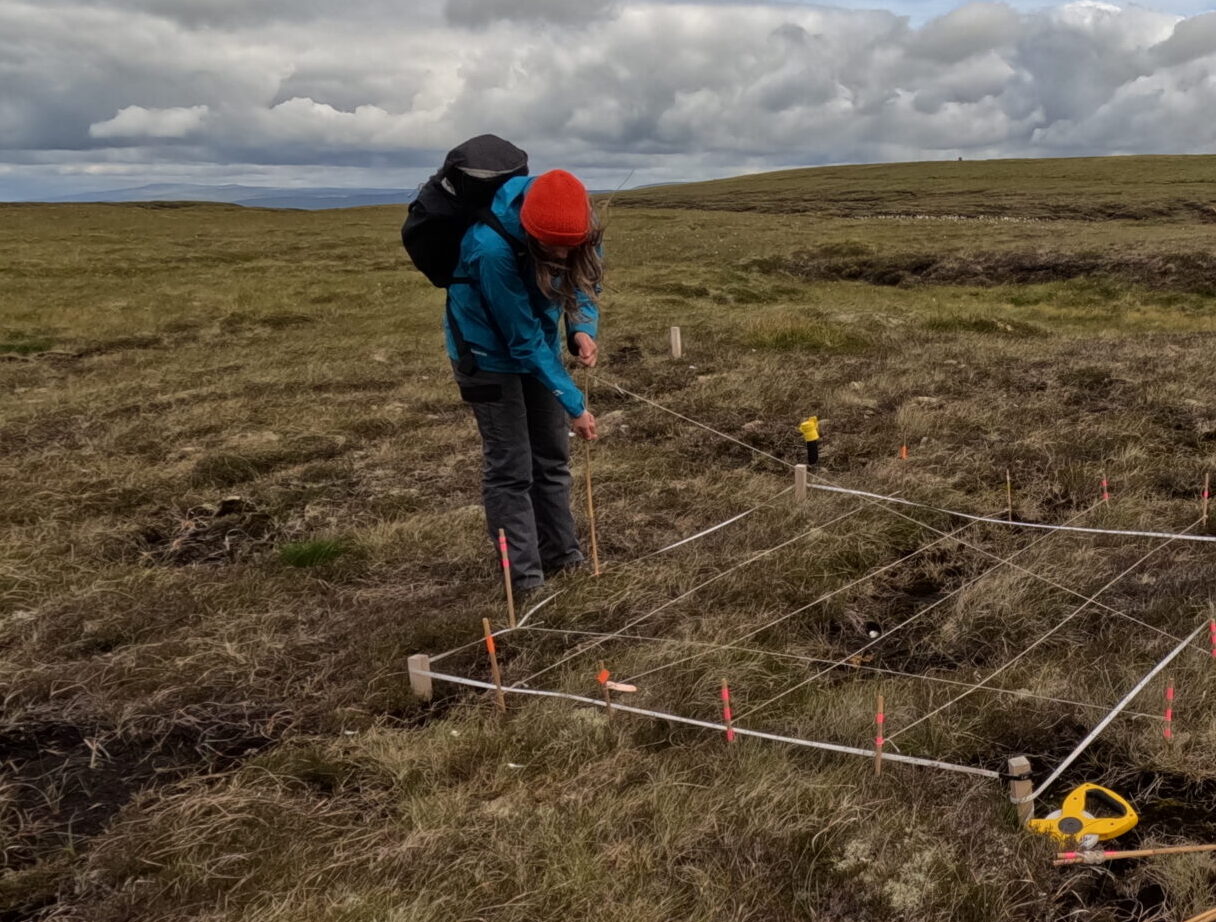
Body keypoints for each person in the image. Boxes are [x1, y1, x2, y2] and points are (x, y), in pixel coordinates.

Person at [445, 169, 602, 593]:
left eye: (569, 247)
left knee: (552, 456)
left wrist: (581, 327)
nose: (561, 255)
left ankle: (562, 555)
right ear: (531, 233)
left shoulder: (580, 227)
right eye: (551, 248)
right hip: (485, 355)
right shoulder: (491, 248)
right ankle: (525, 580)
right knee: (512, 467)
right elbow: (521, 340)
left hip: (539, 350)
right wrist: (574, 404)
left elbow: (585, 282)